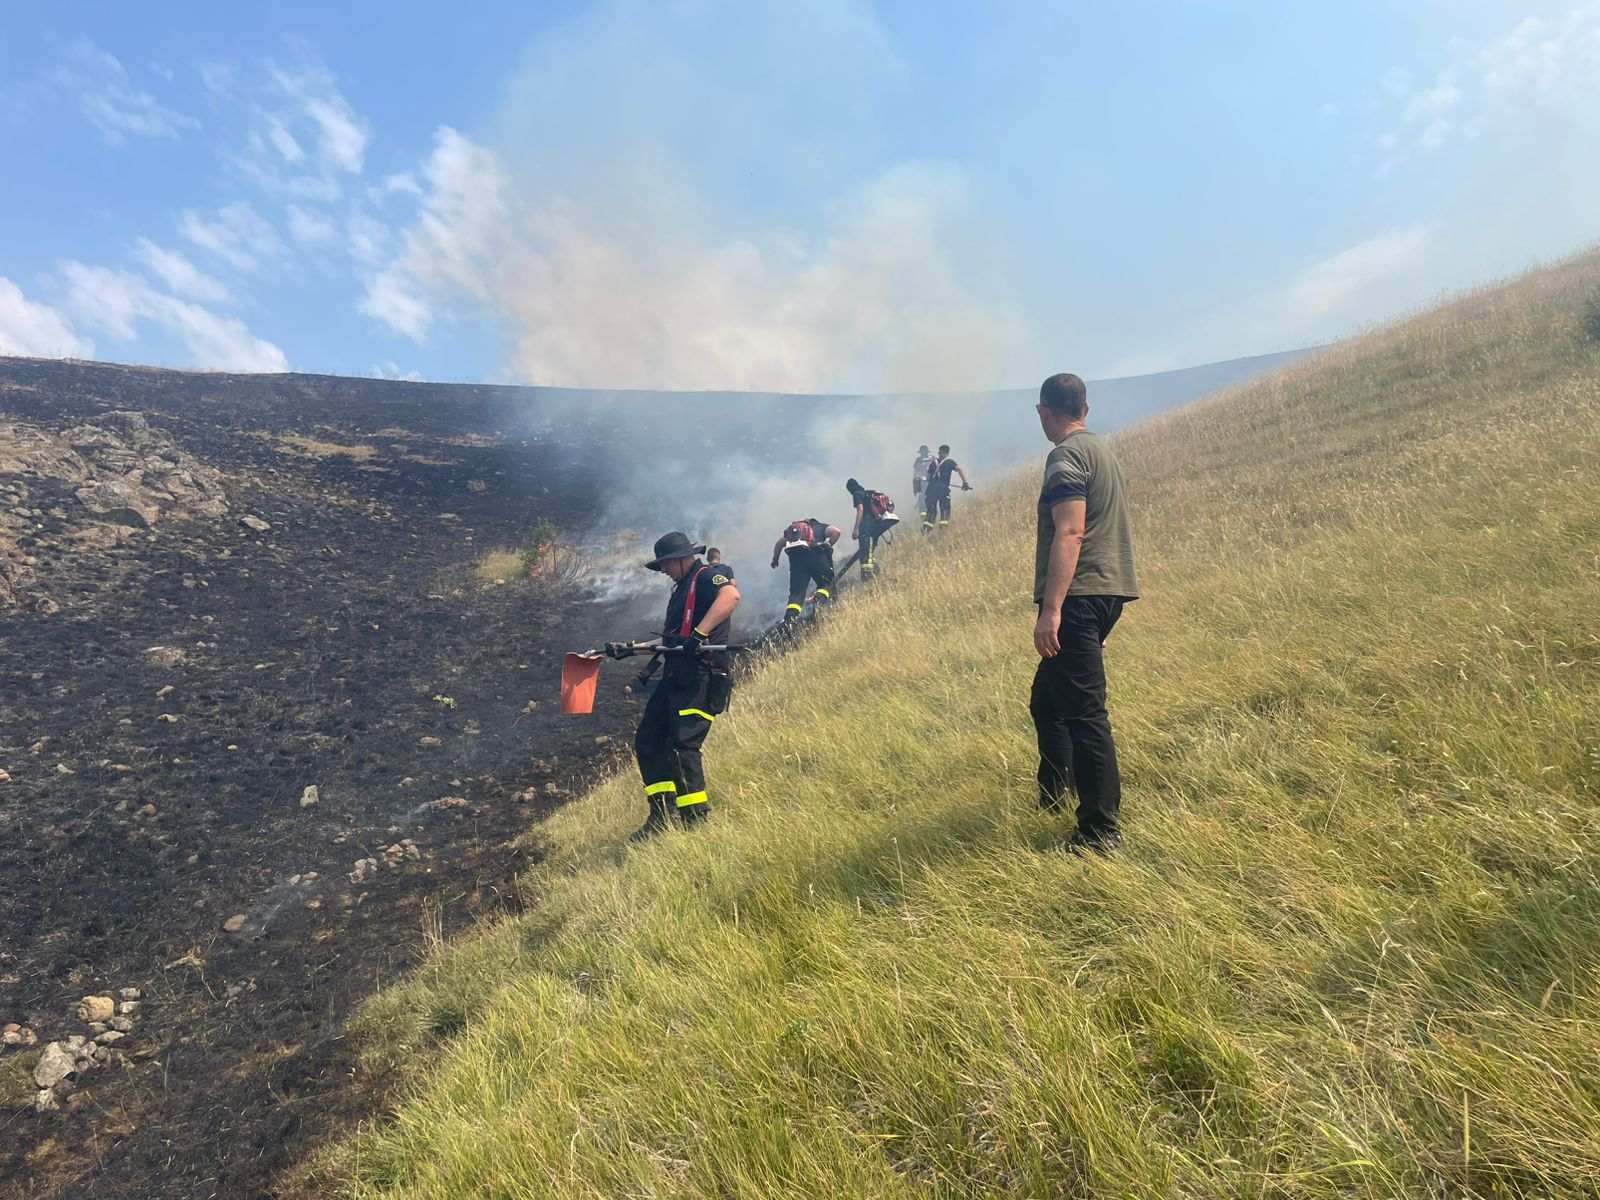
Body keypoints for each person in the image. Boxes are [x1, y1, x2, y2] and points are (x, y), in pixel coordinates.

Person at [1030, 373, 1139, 853]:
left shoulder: (1066, 457)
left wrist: (1052, 609)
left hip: (1078, 597)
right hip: (1108, 591)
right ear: (1085, 410)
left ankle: (1099, 832)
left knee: (1085, 713)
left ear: (1044, 412)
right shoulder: (1103, 451)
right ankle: (1054, 796)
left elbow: (1071, 532)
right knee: (1047, 702)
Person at [620, 532, 741, 841]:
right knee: (648, 739)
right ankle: (661, 814)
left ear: (682, 558)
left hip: (701, 676)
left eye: (666, 564)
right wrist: (631, 649)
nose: (663, 570)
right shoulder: (680, 591)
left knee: (682, 746)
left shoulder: (706, 577)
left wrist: (699, 635)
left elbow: (730, 597)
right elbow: (672, 640)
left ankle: (695, 821)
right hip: (675, 677)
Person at [770, 518, 840, 620]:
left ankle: (790, 619)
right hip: (817, 558)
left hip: (797, 562)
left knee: (797, 593)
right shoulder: (819, 527)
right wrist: (827, 546)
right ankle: (819, 602)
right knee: (825, 584)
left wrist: (775, 560)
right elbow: (836, 532)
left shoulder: (794, 533)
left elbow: (779, 544)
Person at [846, 478, 898, 577]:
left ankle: (867, 574)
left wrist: (856, 529)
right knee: (870, 548)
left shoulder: (857, 494)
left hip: (867, 523)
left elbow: (860, 510)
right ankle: (874, 569)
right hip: (876, 523)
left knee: (865, 548)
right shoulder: (869, 493)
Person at [922, 444, 971, 531]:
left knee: (931, 511)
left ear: (940, 452)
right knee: (945, 509)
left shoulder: (933, 463)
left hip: (931, 490)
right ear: (947, 453)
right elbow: (959, 469)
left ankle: (926, 531)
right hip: (943, 490)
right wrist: (965, 483)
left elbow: (928, 477)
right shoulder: (950, 462)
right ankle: (943, 530)